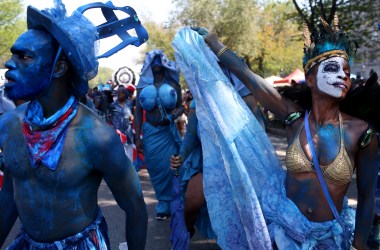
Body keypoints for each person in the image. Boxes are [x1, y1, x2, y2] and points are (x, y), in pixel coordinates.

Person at [173, 14, 379, 249]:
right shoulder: (293, 118)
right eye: (332, 69)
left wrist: (358, 244)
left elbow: (366, 197)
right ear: (310, 79)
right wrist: (215, 43)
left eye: (346, 70)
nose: (342, 75)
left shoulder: (363, 134)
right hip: (284, 234)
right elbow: (248, 76)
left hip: (329, 240)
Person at [0, 1, 149, 249]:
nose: (9, 64)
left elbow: (135, 207)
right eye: (14, 54)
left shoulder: (96, 137)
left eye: (24, 57)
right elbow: (10, 196)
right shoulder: (8, 126)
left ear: (59, 68)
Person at [170, 63, 266, 241]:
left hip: (241, 164)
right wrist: (181, 156)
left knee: (245, 211)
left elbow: (259, 133)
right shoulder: (197, 103)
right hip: (207, 164)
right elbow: (190, 136)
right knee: (192, 201)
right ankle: (186, 230)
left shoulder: (244, 100)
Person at [134, 49, 182, 220]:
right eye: (152, 61)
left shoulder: (173, 85)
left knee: (171, 166)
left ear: (163, 63)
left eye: (158, 60)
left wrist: (175, 114)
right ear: (148, 64)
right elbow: (138, 112)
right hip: (150, 133)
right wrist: (136, 135)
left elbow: (181, 106)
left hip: (167, 132)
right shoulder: (143, 87)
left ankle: (172, 202)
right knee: (155, 168)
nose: (155, 64)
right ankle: (162, 201)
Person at [109, 86, 134, 160]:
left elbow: (132, 113)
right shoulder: (113, 105)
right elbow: (110, 117)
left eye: (122, 93)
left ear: (125, 94)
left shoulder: (130, 103)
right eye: (119, 93)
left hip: (128, 129)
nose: (120, 94)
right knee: (119, 148)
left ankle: (130, 166)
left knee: (129, 147)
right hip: (118, 130)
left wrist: (132, 117)